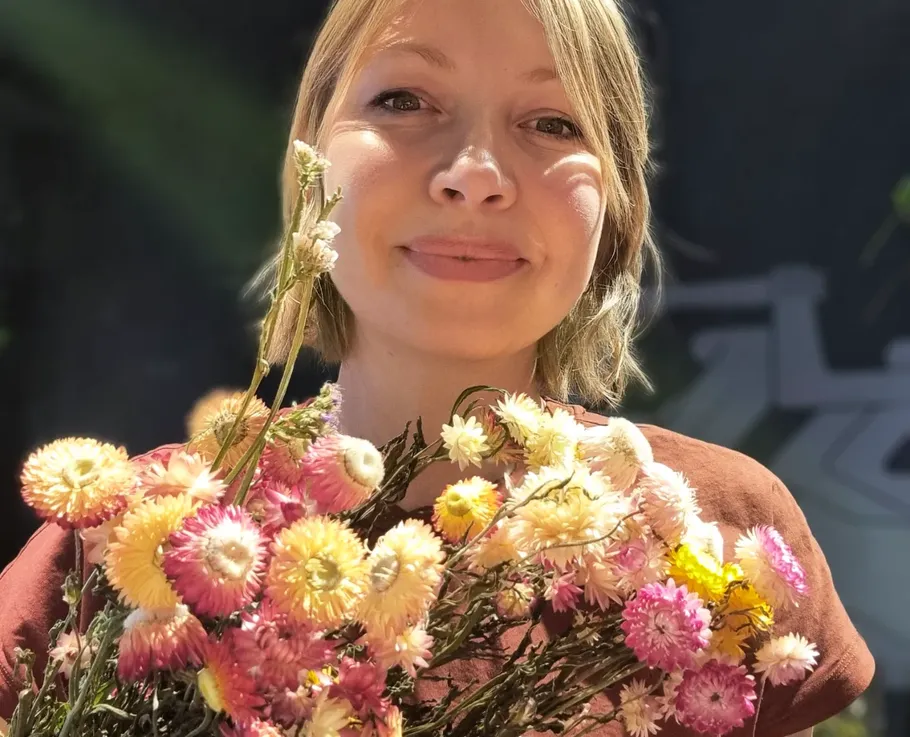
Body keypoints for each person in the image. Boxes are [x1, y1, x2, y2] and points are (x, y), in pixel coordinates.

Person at [0, 0, 875, 734]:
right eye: (406, 100)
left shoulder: (732, 540)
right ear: (310, 169)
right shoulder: (125, 545)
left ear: (616, 202)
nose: (476, 175)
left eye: (550, 122)